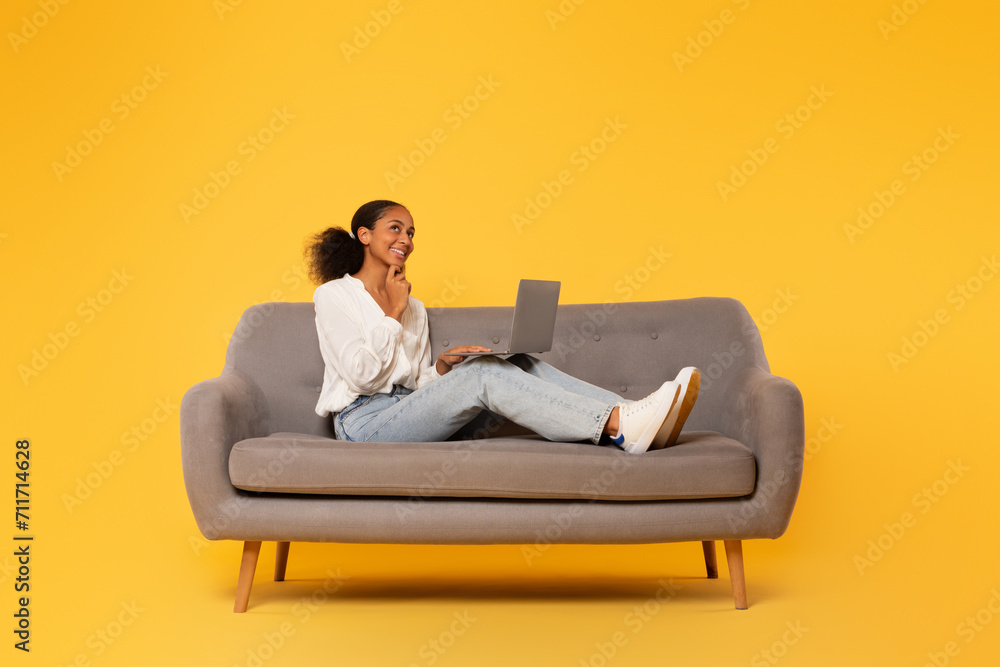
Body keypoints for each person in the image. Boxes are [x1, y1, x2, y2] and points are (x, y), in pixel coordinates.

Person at [306, 200, 700, 455]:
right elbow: (362, 376)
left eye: (411, 233)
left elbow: (411, 387)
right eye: (395, 228)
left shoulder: (415, 306)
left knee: (521, 362)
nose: (406, 240)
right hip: (364, 427)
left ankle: (633, 414)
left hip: (405, 414)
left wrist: (441, 369)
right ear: (365, 235)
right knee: (481, 378)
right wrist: (392, 313)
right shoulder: (334, 296)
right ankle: (619, 425)